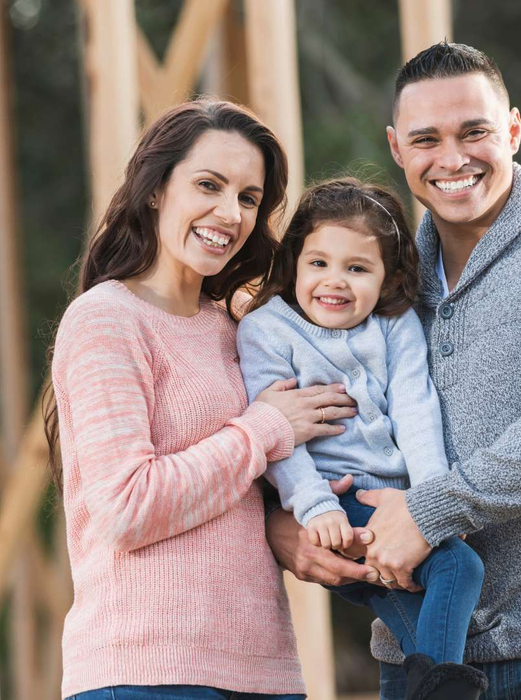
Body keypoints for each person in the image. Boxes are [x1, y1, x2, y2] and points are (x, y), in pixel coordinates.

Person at [264, 43, 521, 700]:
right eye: (427, 139)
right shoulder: (373, 289)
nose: (451, 159)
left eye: (473, 132)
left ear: (511, 129)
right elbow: (299, 412)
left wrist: (430, 511)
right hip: (415, 657)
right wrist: (285, 527)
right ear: (398, 149)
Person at [44, 99, 366, 700]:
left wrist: (299, 512)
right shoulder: (106, 321)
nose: (229, 212)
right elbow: (125, 507)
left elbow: (236, 493)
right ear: (156, 190)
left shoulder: (238, 328)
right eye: (208, 185)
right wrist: (266, 427)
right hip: (145, 671)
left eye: (248, 197)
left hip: (263, 671)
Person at [237, 178, 488, 699]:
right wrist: (313, 507)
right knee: (457, 567)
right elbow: (279, 436)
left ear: (388, 277)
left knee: (446, 580)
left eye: (357, 268)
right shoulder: (266, 330)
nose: (335, 282)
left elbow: (417, 409)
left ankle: (436, 689)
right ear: (295, 263)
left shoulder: (393, 325)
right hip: (332, 506)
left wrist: (434, 501)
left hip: (397, 505)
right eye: (319, 263)